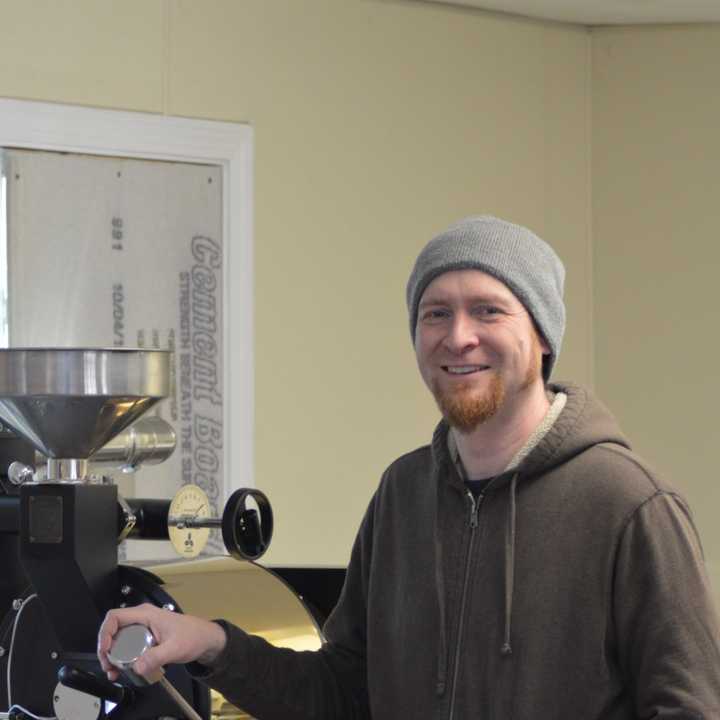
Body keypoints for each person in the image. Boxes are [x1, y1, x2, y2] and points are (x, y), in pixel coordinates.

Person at [99, 216, 720, 719]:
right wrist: (209, 642)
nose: (459, 337)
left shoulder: (629, 504)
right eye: (436, 313)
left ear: (543, 336)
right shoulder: (403, 493)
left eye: (489, 310)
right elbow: (341, 692)